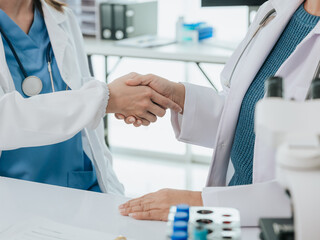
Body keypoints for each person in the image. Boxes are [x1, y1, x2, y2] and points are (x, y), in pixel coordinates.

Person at [118, 0, 320, 225]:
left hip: (292, 227)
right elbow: (242, 111)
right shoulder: (275, 9)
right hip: (237, 214)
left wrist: (200, 203)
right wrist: (177, 96)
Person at [0, 0, 181, 194]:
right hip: (4, 194)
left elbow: (84, 99)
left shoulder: (62, 16)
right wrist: (107, 99)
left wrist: (113, 100)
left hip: (81, 186)